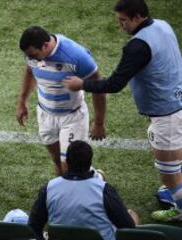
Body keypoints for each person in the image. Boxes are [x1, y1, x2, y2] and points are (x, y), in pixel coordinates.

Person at [62, 0, 182, 221]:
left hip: (167, 115)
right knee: (176, 159)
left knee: (168, 173)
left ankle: (180, 207)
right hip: (178, 102)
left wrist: (82, 84)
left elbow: (115, 84)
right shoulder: (163, 25)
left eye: (123, 20)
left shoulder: (137, 46)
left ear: (137, 17)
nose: (120, 26)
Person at [16, 26, 106, 176]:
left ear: (45, 46)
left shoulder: (76, 56)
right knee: (57, 162)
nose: (32, 60)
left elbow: (99, 87)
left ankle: (95, 178)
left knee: (69, 167)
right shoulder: (33, 55)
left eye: (34, 56)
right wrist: (22, 101)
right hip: (45, 115)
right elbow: (29, 70)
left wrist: (99, 123)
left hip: (72, 117)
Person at [28, 141, 139, 240]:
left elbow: (33, 228)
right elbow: (128, 227)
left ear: (66, 161)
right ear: (90, 163)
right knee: (132, 215)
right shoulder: (104, 189)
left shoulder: (49, 188)